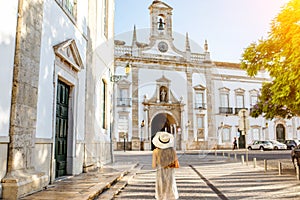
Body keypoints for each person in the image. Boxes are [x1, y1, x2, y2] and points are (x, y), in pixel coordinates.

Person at [152, 132, 179, 200]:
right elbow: (177, 165)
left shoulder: (155, 151)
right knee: (170, 186)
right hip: (170, 173)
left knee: (161, 187)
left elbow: (154, 165)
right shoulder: (172, 151)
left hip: (160, 173)